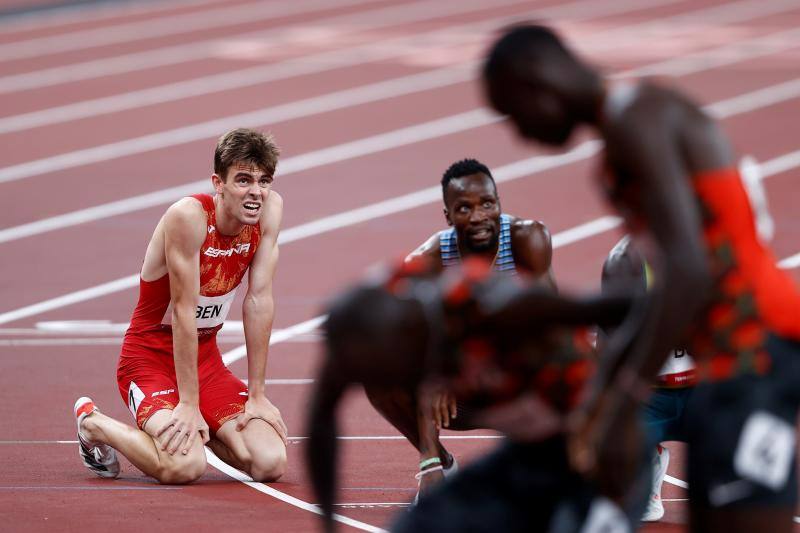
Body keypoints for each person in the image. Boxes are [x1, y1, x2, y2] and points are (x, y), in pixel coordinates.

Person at [482, 24, 800, 532]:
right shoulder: (627, 128)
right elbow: (672, 276)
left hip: (752, 350)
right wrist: (568, 316)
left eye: (514, 114)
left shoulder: (637, 121)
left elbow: (689, 270)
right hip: (729, 357)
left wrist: (624, 390)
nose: (524, 134)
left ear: (535, 79)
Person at [307, 257, 642, 532]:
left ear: (412, 336)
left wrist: (625, 398)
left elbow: (631, 308)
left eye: (394, 372)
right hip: (528, 450)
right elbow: (321, 419)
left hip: (598, 442)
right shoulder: (357, 334)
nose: (392, 382)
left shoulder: (493, 306)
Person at [73, 128, 288, 484]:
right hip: (149, 360)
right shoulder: (189, 217)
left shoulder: (270, 210)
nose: (256, 192)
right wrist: (189, 404)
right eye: (244, 180)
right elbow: (184, 311)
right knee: (184, 467)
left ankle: (199, 425)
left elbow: (259, 299)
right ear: (218, 183)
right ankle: (93, 424)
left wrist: (258, 395)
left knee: (269, 461)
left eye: (264, 181)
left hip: (206, 361)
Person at [366, 158, 556, 496]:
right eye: (464, 208)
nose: (479, 216)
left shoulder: (528, 239)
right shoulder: (433, 258)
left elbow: (546, 329)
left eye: (487, 203)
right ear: (449, 216)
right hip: (465, 393)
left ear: (499, 202)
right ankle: (437, 465)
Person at [601, 236, 696, 522]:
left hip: (703, 390)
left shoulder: (714, 247)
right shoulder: (623, 262)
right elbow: (609, 341)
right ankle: (649, 461)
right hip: (650, 394)